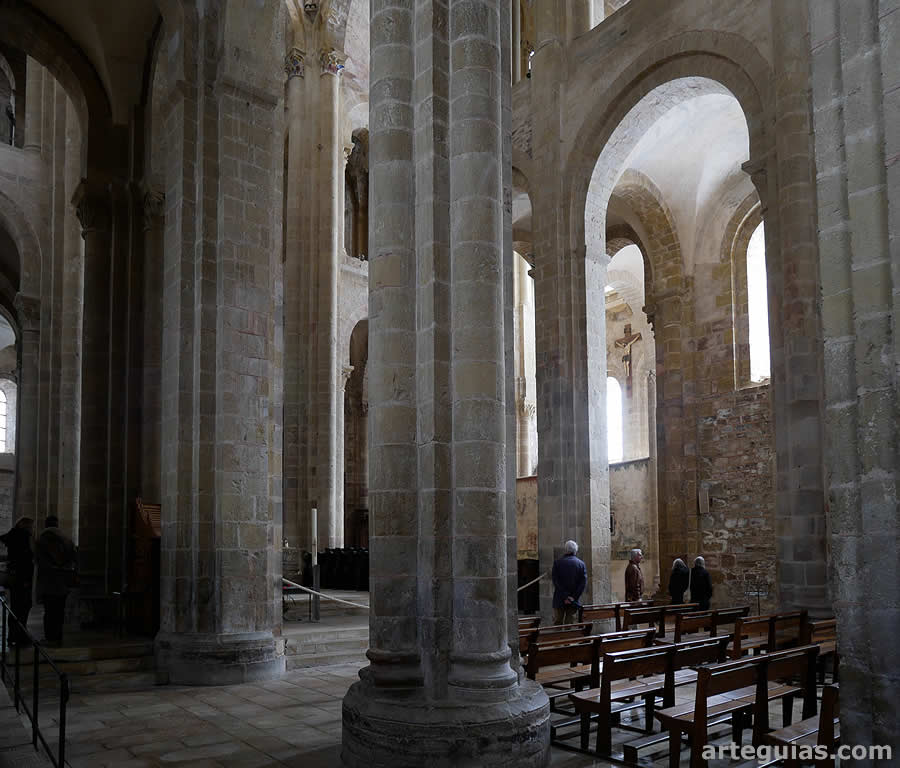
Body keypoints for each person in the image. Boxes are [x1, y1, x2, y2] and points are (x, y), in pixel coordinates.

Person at [35, 516, 77, 647]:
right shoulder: (67, 540)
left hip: (49, 582)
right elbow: (75, 559)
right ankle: (58, 637)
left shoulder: (42, 540)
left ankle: (50, 638)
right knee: (59, 612)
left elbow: (40, 562)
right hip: (63, 582)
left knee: (49, 613)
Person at [0, 517, 35, 645]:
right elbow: (24, 560)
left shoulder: (12, 535)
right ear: (26, 526)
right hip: (22, 578)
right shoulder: (23, 537)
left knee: (15, 607)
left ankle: (13, 635)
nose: (32, 529)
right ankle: (20, 636)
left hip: (15, 578)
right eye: (31, 526)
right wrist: (27, 579)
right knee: (23, 607)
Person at [551, 540, 587, 625]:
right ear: (576, 550)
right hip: (573, 601)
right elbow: (582, 584)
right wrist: (572, 597)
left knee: (557, 623)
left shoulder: (557, 563)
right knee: (570, 624)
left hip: (559, 599)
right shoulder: (581, 564)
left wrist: (565, 597)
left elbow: (556, 582)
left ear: (565, 549)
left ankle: (559, 638)